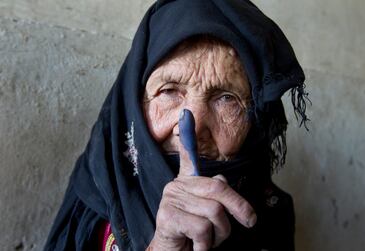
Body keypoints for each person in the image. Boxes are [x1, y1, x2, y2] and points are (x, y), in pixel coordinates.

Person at [44, 0, 309, 250]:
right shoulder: (96, 193)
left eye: (226, 98)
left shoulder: (270, 212)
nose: (192, 128)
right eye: (169, 91)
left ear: (256, 122)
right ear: (134, 104)